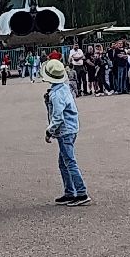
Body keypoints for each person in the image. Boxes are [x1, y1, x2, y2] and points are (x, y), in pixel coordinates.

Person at [41, 58, 89, 206]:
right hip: (71, 128)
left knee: (69, 162)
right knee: (63, 163)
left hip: (65, 130)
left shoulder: (56, 94)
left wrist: (49, 131)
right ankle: (70, 192)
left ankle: (81, 192)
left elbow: (57, 117)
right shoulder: (64, 87)